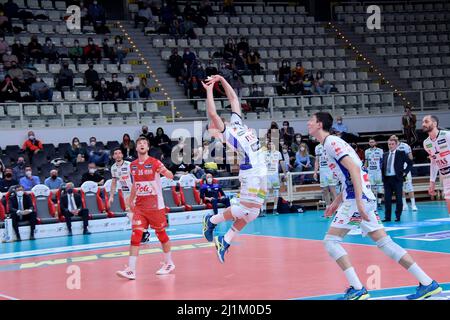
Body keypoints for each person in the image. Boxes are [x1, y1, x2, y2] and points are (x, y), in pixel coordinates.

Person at [308, 111, 442, 300]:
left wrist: (359, 203)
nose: (308, 124)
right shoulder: (328, 144)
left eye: (311, 121)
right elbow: (351, 175)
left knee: (331, 242)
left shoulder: (331, 143)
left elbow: (354, 169)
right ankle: (428, 283)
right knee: (385, 243)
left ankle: (357, 288)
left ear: (320, 124)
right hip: (357, 197)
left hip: (357, 198)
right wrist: (336, 202)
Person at [201, 74, 267, 263]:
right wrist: (209, 91)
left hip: (262, 168)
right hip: (251, 171)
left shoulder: (236, 123)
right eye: (212, 127)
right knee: (242, 209)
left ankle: (225, 240)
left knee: (253, 213)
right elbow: (212, 114)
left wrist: (221, 79)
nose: (214, 124)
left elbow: (234, 99)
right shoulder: (226, 133)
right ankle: (211, 221)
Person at [116, 136, 175, 280]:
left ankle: (169, 263)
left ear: (148, 148)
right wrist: (130, 200)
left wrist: (166, 172)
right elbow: (135, 184)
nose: (142, 145)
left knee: (161, 235)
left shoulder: (154, 162)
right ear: (136, 148)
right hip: (140, 206)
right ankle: (131, 270)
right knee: (136, 236)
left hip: (155, 205)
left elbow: (171, 175)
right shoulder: (133, 165)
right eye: (139, 143)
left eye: (144, 143)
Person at [422, 115, 450, 215]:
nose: (423, 124)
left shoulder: (447, 135)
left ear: (434, 124)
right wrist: (432, 181)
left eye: (426, 121)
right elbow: (434, 162)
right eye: (423, 122)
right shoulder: (426, 143)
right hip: (445, 175)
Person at [381, 136, 412, 222]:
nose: (390, 146)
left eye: (392, 144)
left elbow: (410, 163)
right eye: (389, 144)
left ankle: (398, 216)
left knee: (399, 198)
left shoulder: (401, 153)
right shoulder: (385, 154)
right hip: (387, 179)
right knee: (387, 199)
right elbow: (383, 167)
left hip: (397, 179)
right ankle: (387, 217)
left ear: (396, 145)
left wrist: (405, 172)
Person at [392, 135, 418, 212]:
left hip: (405, 169)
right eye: (391, 138)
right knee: (400, 188)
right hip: (396, 171)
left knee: (409, 186)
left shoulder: (405, 146)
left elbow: (411, 158)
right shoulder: (391, 146)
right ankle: (404, 205)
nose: (393, 138)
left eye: (394, 137)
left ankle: (413, 205)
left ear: (397, 138)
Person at [263, 140, 286, 215]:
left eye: (272, 144)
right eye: (269, 144)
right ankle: (263, 210)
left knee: (276, 192)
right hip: (267, 176)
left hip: (275, 176)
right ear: (267, 145)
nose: (270, 145)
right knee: (266, 193)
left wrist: (285, 173)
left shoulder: (278, 153)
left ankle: (275, 209)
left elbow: (281, 163)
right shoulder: (264, 153)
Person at [314, 142, 338, 210]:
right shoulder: (317, 147)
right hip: (322, 170)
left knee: (332, 189)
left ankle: (336, 207)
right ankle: (328, 207)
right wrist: (315, 172)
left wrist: (336, 170)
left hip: (331, 170)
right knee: (325, 189)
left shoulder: (330, 145)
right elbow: (316, 161)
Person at [364, 138, 384, 207]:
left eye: (372, 142)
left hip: (378, 172)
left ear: (375, 143)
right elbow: (366, 161)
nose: (371, 143)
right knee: (371, 188)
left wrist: (382, 170)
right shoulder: (366, 151)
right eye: (370, 142)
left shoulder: (380, 151)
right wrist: (364, 169)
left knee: (380, 188)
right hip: (370, 172)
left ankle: (379, 203)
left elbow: (383, 161)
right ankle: (373, 202)